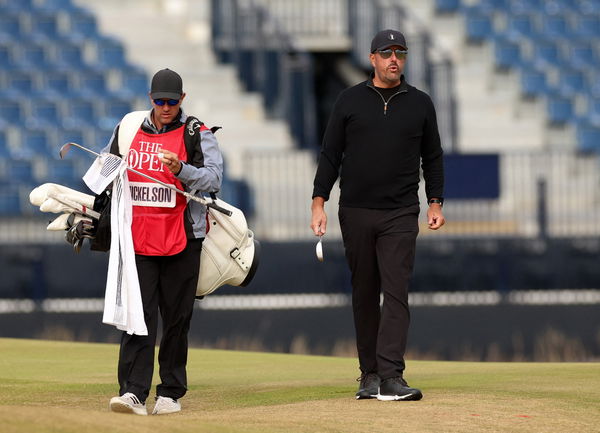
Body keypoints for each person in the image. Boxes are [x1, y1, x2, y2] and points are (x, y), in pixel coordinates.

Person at [310, 30, 445, 402]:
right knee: (364, 292)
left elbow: (433, 156)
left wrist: (435, 201)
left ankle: (392, 376)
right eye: (386, 53)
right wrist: (318, 201)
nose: (394, 59)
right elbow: (330, 153)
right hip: (354, 211)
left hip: (401, 212)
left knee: (396, 291)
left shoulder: (420, 103)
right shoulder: (349, 100)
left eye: (400, 53)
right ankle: (369, 374)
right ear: (372, 58)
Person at [106, 68, 223, 415]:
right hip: (138, 238)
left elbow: (214, 179)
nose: (165, 107)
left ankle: (170, 393)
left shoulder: (196, 133)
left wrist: (181, 169)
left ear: (182, 100)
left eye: (172, 101)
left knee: (176, 319)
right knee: (138, 317)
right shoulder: (128, 130)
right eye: (160, 101)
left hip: (183, 239)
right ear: (150, 99)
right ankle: (133, 393)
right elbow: (109, 166)